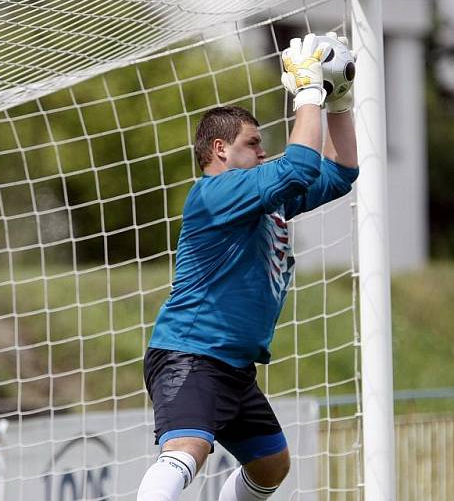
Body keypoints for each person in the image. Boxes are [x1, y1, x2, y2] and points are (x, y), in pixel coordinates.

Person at [136, 33, 360, 501]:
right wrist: (308, 92)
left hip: (233, 365)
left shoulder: (262, 203)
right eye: (253, 143)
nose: (262, 152)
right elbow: (299, 167)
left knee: (271, 464)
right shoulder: (217, 193)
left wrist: (340, 101)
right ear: (220, 150)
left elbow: (339, 173)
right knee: (189, 449)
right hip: (190, 354)